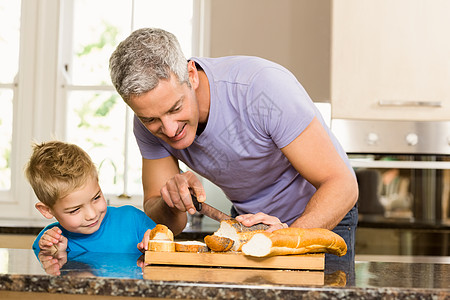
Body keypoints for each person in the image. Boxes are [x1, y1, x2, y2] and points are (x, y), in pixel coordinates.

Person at [109, 28, 358, 261]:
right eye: (151, 119)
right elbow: (167, 223)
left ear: (191, 75)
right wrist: (171, 198)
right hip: (247, 226)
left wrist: (285, 237)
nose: (170, 130)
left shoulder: (261, 87)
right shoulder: (145, 125)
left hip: (321, 216)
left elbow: (342, 185)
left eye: (176, 108)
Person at [25, 141, 157, 254]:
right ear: (47, 210)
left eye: (96, 198)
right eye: (75, 210)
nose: (92, 214)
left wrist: (157, 245)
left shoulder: (133, 220)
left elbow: (166, 244)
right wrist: (58, 256)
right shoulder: (50, 241)